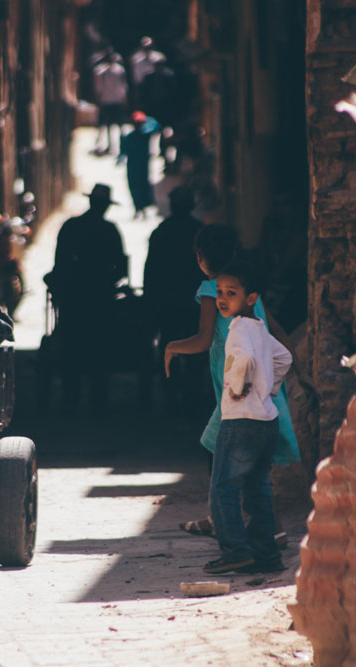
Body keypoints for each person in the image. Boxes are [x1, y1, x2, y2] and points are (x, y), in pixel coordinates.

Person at [165, 226, 299, 542]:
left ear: (199, 258)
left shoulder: (213, 290)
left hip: (239, 391)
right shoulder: (245, 290)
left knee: (222, 457)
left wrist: (171, 347)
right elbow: (278, 332)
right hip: (260, 388)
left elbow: (203, 339)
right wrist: (295, 371)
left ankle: (232, 532)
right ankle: (264, 528)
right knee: (251, 466)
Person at [201, 257, 291, 574]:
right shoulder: (259, 327)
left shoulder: (238, 330)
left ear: (251, 299)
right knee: (257, 488)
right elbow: (285, 356)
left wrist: (239, 387)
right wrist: (271, 388)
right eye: (220, 292)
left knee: (223, 487)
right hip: (266, 420)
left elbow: (245, 358)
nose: (223, 299)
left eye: (231, 293)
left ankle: (235, 550)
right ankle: (267, 556)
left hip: (240, 421)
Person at [45, 184, 127, 409]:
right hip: (101, 299)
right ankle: (98, 399)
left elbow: (59, 263)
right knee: (100, 346)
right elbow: (120, 268)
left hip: (74, 298)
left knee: (72, 345)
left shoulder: (71, 227)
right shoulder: (110, 231)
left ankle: (71, 398)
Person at [143, 186, 205, 411]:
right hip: (194, 302)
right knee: (196, 347)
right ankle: (192, 396)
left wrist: (150, 301)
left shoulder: (161, 231)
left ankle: (171, 393)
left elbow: (151, 271)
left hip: (167, 301)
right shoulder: (200, 232)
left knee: (168, 347)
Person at [118, 111, 161, 218]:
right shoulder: (130, 137)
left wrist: (147, 118)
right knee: (134, 186)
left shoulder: (145, 135)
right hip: (133, 165)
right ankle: (138, 208)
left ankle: (142, 208)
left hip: (142, 165)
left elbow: (157, 127)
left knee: (142, 186)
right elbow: (123, 151)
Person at [93, 52, 129, 156]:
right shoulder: (101, 71)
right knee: (110, 125)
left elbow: (123, 85)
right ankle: (113, 145)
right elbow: (98, 87)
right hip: (108, 100)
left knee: (117, 125)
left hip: (112, 100)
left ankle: (120, 145)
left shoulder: (119, 70)